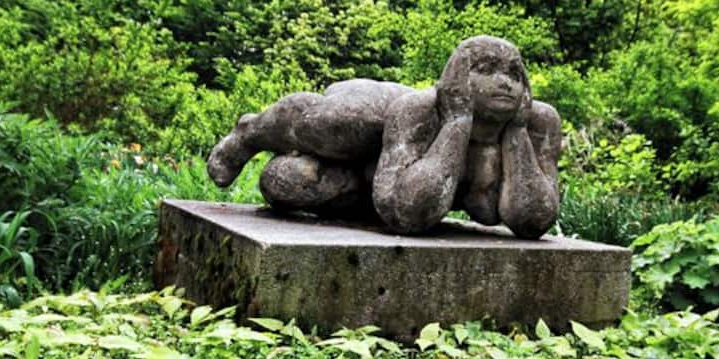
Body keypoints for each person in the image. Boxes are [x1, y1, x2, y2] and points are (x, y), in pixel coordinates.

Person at [207, 36, 561, 238]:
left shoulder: (537, 124)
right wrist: (456, 121)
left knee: (285, 182)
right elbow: (410, 213)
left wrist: (515, 133)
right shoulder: (421, 110)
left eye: (515, 74)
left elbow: (533, 221)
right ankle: (249, 132)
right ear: (458, 76)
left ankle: (318, 173)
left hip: (378, 185)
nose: (504, 83)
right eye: (486, 70)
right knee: (337, 123)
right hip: (381, 113)